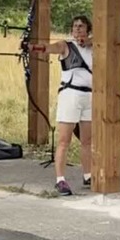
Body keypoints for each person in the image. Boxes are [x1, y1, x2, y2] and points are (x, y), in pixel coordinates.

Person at [38, 15, 93, 196]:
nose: (77, 29)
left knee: (87, 140)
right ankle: (60, 180)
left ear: (88, 29)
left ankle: (88, 175)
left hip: (89, 95)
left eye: (81, 26)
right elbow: (50, 48)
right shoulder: (66, 45)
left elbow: (105, 38)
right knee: (64, 140)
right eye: (75, 26)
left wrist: (89, 41)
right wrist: (36, 47)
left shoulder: (94, 46)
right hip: (70, 94)